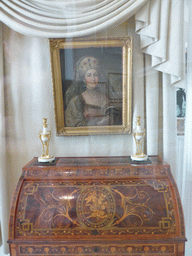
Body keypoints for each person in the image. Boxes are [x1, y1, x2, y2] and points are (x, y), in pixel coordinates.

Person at [64, 56, 119, 127]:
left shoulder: (105, 98)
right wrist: (95, 123)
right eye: (89, 75)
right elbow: (74, 125)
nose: (93, 79)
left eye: (95, 75)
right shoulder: (76, 101)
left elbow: (114, 120)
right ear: (84, 79)